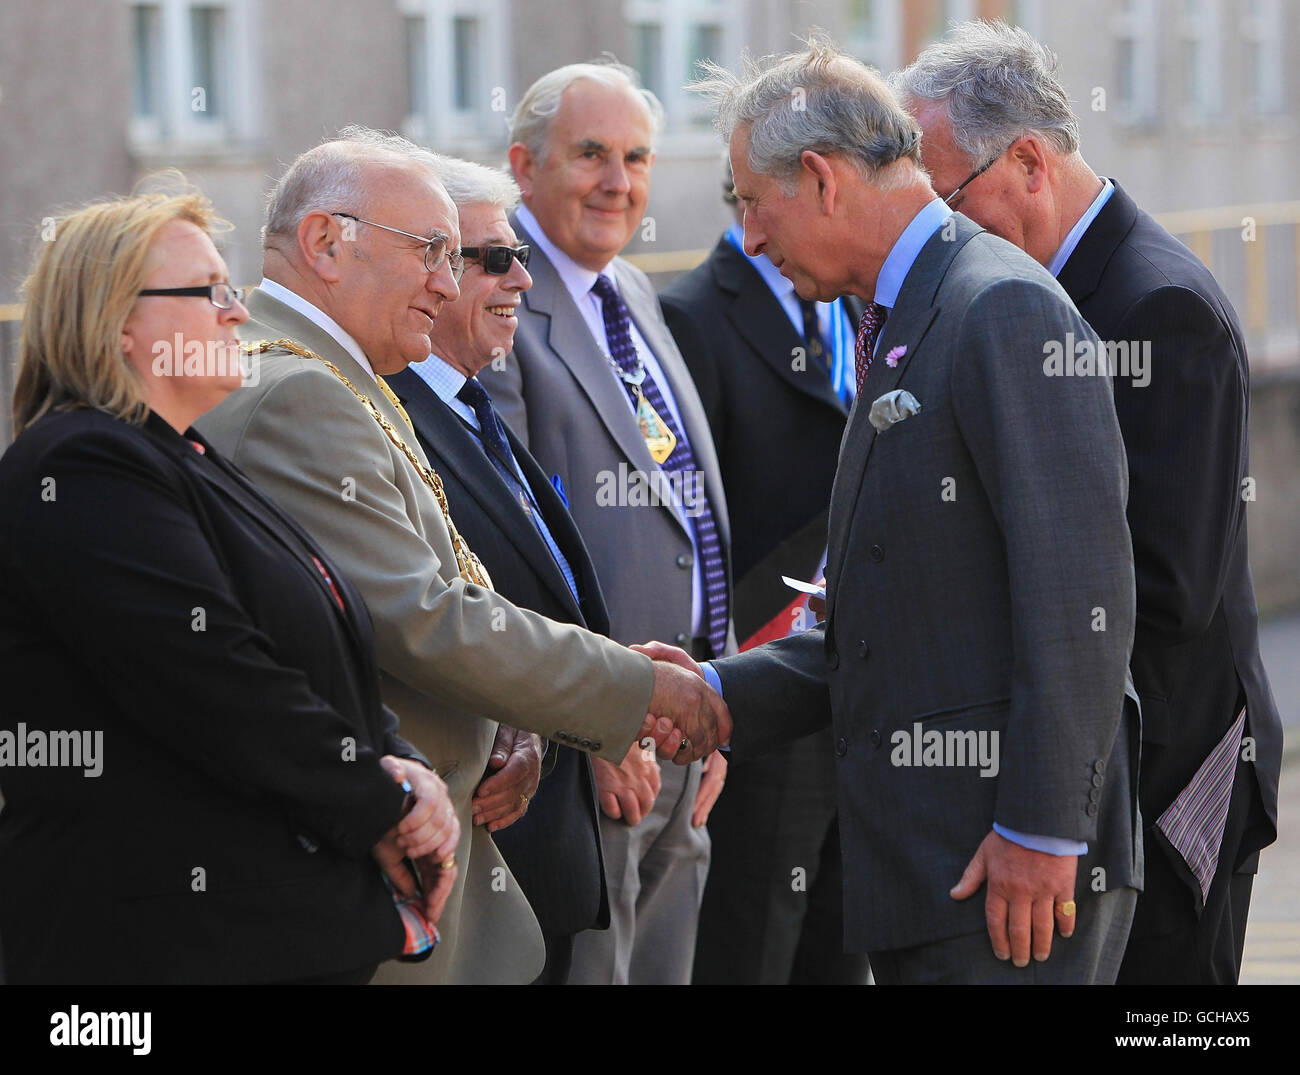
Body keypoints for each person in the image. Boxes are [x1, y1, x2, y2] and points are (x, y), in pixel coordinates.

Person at [196, 128, 726, 985]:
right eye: (433, 252)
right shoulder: (300, 390)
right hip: (372, 866)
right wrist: (636, 690)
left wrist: (516, 721)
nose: (449, 283)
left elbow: (423, 592)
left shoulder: (338, 376)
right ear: (328, 242)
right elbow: (421, 617)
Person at [664, 38, 1142, 984]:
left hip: (1008, 878)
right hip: (941, 870)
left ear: (821, 179)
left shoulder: (999, 306)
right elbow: (884, 612)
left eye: (753, 204)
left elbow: (1081, 597)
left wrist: (1043, 829)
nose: (750, 238)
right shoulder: (909, 311)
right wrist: (716, 693)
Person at [893, 18, 1283, 984]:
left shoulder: (1158, 306)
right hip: (1100, 784)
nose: (939, 232)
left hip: (1171, 789)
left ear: (1027, 159)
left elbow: (1167, 581)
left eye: (946, 199)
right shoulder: (1031, 290)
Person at [0, 186, 459, 984]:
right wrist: (383, 807)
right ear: (116, 321)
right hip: (157, 950)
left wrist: (399, 760)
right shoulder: (80, 465)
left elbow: (321, 647)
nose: (237, 314)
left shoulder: (185, 459)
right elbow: (221, 682)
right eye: (209, 292)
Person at [479, 61, 734, 985]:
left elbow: (690, 505)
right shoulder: (503, 306)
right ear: (523, 164)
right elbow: (507, 541)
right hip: (603, 744)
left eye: (636, 157)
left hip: (682, 734)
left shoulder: (631, 290)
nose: (616, 182)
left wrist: (720, 692)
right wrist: (590, 722)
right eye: (590, 154)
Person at [384, 157, 619, 983]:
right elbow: (421, 625)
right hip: (476, 867)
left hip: (546, 848)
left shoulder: (471, 403)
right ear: (433, 272)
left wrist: (562, 739)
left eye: (515, 253)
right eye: (492, 257)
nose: (521, 274)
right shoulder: (388, 418)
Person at [659, 160, 868, 984]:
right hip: (762, 680)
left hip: (856, 681)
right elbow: (688, 517)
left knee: (842, 948)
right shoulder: (689, 315)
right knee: (754, 945)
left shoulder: (858, 302)